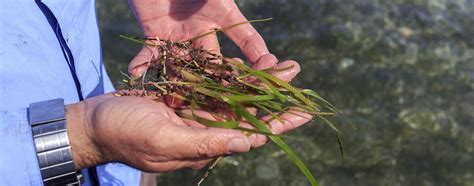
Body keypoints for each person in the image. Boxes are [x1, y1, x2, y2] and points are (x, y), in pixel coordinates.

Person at [0, 0, 310, 185]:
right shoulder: (98, 133)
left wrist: (107, 150)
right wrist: (82, 137)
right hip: (106, 132)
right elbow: (91, 136)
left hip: (121, 161)